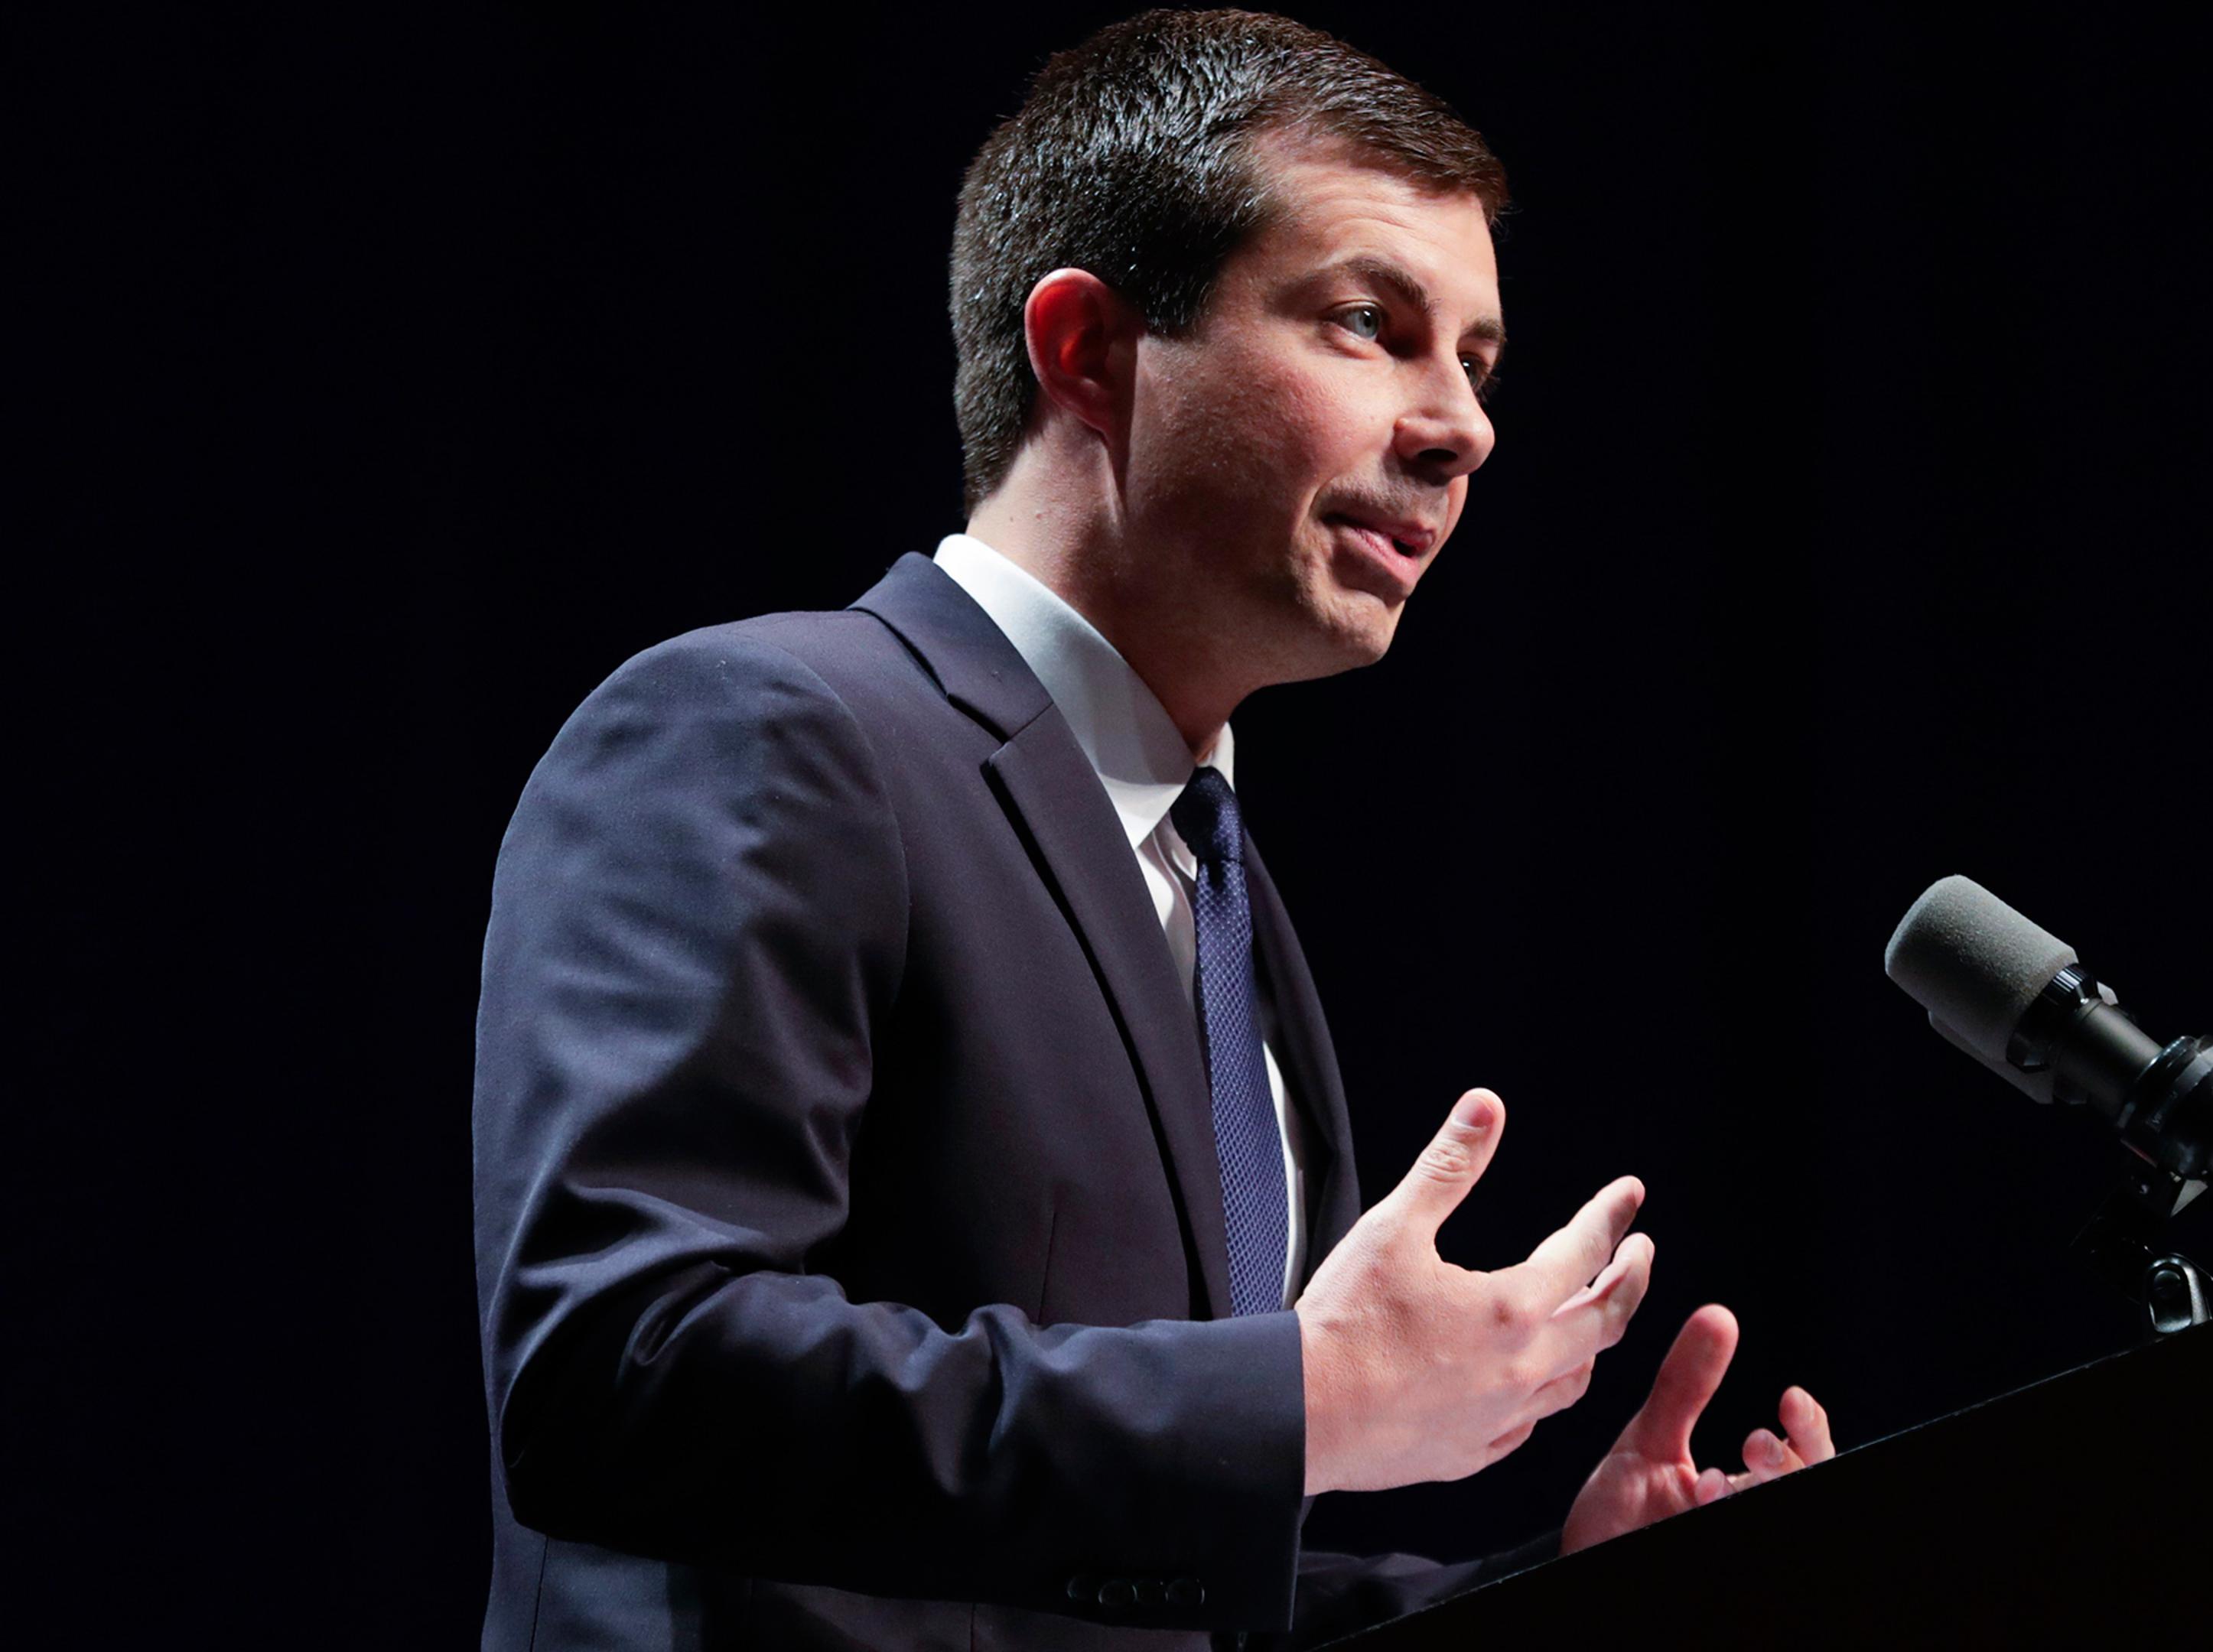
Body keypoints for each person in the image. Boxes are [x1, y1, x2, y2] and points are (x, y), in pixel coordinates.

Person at [470, 12, 1831, 1649]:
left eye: (1473, 361)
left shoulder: (1215, 883)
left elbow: (1127, 1588)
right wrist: (1301, 1400)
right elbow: (624, 1376)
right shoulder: (773, 731)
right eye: (1365, 323)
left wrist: (1574, 1590)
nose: (1460, 425)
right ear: (1089, 352)